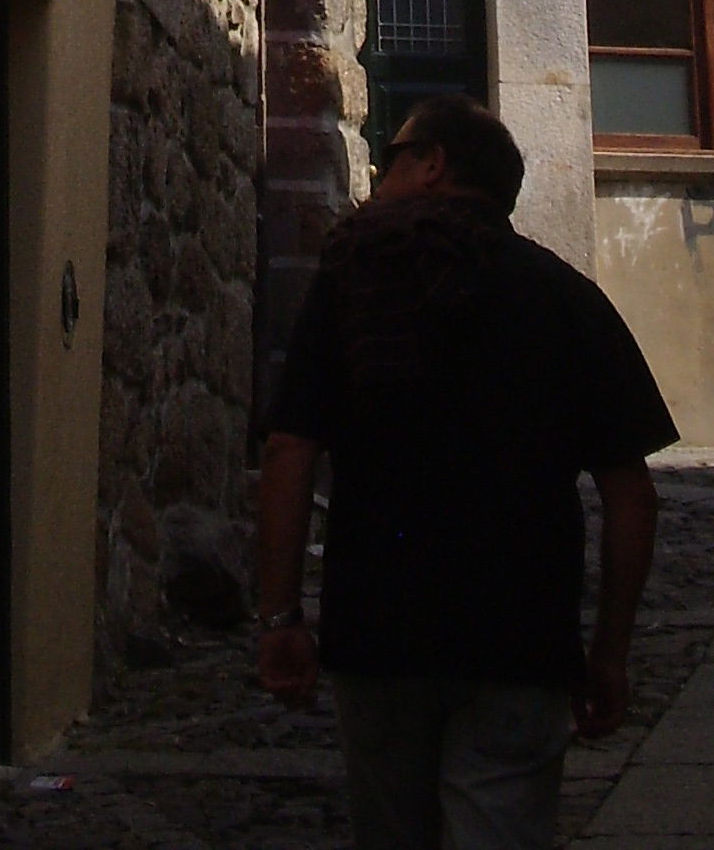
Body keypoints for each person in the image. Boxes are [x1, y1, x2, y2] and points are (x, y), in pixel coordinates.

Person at [253, 93, 676, 850]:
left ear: (433, 167)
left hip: (378, 628)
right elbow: (631, 497)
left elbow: (289, 451)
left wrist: (282, 616)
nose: (379, 174)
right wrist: (609, 652)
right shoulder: (564, 297)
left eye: (394, 157)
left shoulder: (353, 281)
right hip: (519, 635)